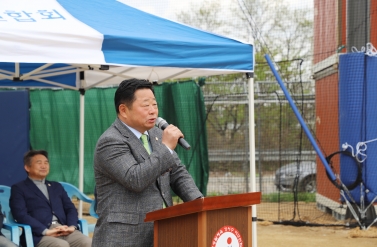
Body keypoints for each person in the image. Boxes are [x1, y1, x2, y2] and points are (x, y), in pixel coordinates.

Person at [92, 78, 203, 247]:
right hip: (124, 239)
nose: (153, 111)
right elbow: (135, 179)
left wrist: (200, 203)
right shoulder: (110, 141)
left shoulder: (157, 135)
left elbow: (178, 173)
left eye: (155, 105)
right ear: (123, 110)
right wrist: (166, 149)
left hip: (163, 232)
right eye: (146, 105)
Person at [9, 150, 92, 247]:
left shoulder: (56, 186)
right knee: (61, 245)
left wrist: (71, 227)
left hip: (65, 230)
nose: (44, 166)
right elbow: (20, 215)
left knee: (89, 242)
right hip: (39, 234)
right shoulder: (19, 188)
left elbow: (70, 209)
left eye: (46, 163)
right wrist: (46, 231)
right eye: (39, 163)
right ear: (27, 167)